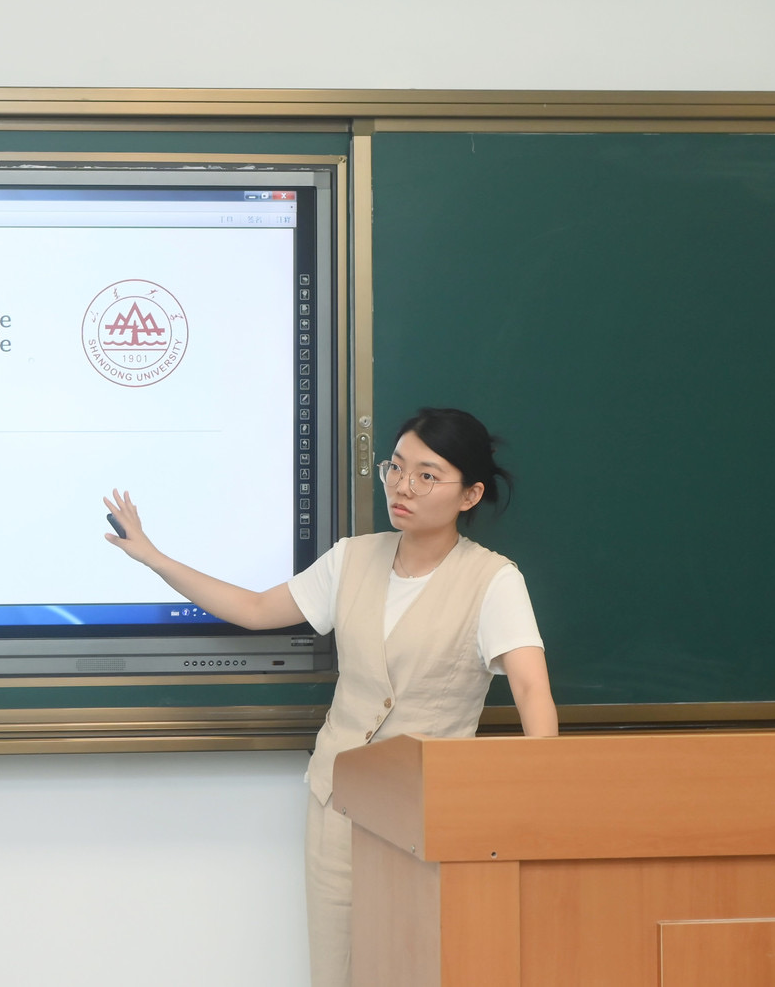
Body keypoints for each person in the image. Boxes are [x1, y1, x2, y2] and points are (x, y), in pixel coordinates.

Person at [103, 407, 557, 987]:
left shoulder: (493, 580)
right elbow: (256, 609)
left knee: (423, 965)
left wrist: (542, 798)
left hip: (432, 810)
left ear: (469, 495)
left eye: (427, 475)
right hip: (337, 803)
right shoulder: (352, 558)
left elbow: (530, 687)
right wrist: (153, 557)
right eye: (396, 467)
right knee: (337, 966)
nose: (403, 486)